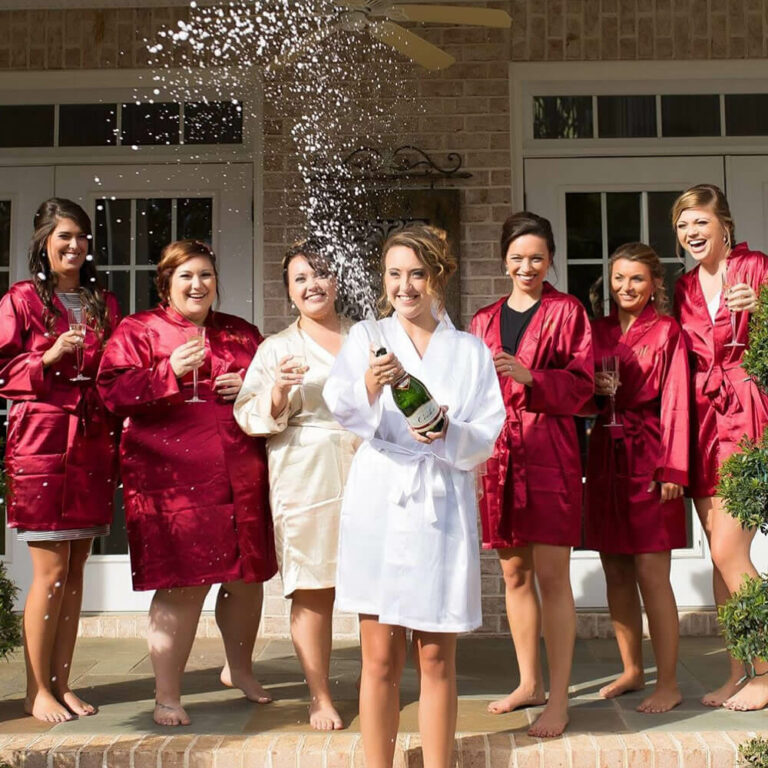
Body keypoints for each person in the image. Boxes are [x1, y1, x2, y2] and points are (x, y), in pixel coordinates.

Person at [323, 225, 504, 768]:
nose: (405, 286)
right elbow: (342, 404)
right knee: (378, 657)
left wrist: (450, 431)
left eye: (417, 274)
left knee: (436, 656)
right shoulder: (367, 337)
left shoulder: (469, 351)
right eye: (394, 274)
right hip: (381, 496)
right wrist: (372, 386)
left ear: (438, 277)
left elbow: (488, 433)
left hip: (440, 501)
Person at [97, 239, 277, 727]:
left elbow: (271, 385)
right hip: (173, 482)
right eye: (186, 277)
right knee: (184, 586)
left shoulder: (240, 333)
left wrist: (250, 387)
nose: (198, 285)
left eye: (205, 275)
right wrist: (166, 371)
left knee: (246, 579)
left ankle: (238, 669)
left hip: (240, 474)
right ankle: (167, 694)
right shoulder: (139, 330)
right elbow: (111, 393)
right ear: (166, 283)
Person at [470, 211, 593, 738]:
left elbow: (584, 385)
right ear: (504, 261)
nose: (527, 267)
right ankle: (529, 683)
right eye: (518, 258)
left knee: (551, 578)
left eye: (537, 258)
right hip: (499, 457)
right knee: (513, 575)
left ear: (550, 261)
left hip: (549, 454)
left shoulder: (568, 311)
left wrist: (532, 376)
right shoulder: (482, 320)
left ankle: (559, 699)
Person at [0, 198, 121, 723]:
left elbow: (114, 369)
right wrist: (44, 358)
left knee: (76, 572)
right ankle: (35, 689)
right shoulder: (20, 299)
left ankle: (62, 682)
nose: (74, 246)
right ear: (44, 242)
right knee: (48, 573)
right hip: (42, 440)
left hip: (92, 440)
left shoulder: (103, 304)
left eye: (81, 237)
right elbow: (3, 371)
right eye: (64, 237)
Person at [234, 240, 359, 731]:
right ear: (289, 292)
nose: (313, 284)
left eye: (321, 274)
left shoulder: (367, 335)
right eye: (301, 278)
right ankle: (320, 695)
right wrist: (279, 391)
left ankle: (379, 681)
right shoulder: (276, 348)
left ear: (337, 280)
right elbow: (248, 416)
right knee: (312, 587)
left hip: (366, 465)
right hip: (304, 472)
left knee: (377, 582)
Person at [672, 183, 768, 711]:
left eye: (700, 223)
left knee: (732, 550)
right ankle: (738, 670)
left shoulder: (755, 268)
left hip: (747, 414)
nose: (691, 233)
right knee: (718, 556)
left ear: (723, 224)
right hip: (704, 424)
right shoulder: (685, 288)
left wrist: (765, 306)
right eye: (683, 226)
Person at [584, 242, 689, 714]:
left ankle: (668, 682)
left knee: (652, 574)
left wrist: (673, 468)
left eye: (637, 279)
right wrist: (592, 388)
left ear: (655, 286)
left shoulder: (667, 332)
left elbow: (676, 401)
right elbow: (577, 386)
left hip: (651, 453)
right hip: (606, 453)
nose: (626, 287)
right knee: (616, 571)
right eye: (619, 278)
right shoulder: (597, 329)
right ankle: (630, 669)